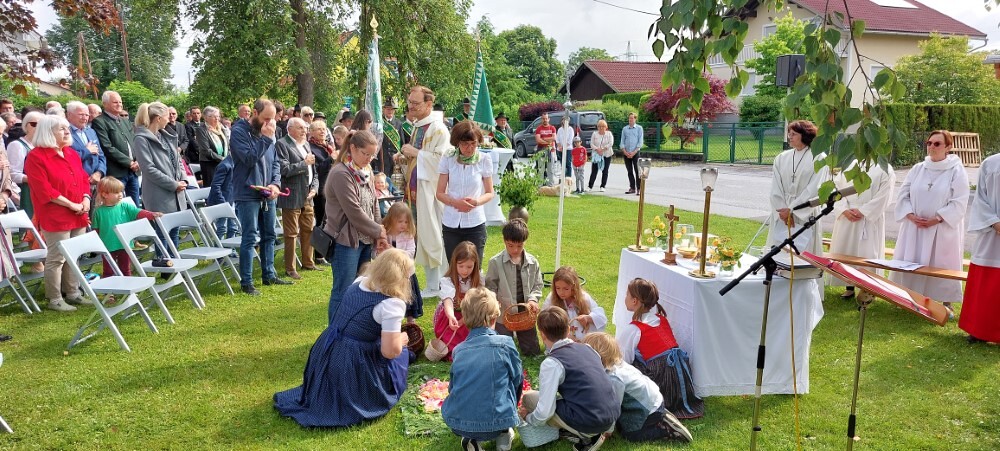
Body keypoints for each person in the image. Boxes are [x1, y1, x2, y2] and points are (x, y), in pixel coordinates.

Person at [273, 249, 413, 427]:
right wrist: (401, 339)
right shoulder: (392, 304)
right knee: (401, 353)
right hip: (353, 362)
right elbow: (389, 351)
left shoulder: (360, 281)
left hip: (327, 349)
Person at [519, 307, 622, 451]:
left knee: (529, 399)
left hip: (591, 419)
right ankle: (588, 431)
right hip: (612, 414)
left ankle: (587, 435)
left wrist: (529, 418)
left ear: (542, 334)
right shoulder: (588, 348)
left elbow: (544, 412)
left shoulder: (552, 363)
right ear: (568, 329)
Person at [891, 130, 969, 316]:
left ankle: (946, 301)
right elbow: (903, 193)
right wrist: (910, 215)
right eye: (929, 143)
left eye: (937, 144)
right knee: (913, 259)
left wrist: (938, 218)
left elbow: (960, 200)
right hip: (915, 227)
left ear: (948, 147)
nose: (931, 146)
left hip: (941, 227)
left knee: (942, 261)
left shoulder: (956, 170)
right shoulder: (918, 168)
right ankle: (909, 295)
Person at [441, 286, 523, 451]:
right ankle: (503, 436)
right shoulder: (505, 344)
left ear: (465, 317)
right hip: (498, 420)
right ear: (494, 317)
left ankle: (471, 439)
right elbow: (517, 380)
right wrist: (513, 403)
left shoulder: (458, 350)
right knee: (508, 385)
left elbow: (453, 386)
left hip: (459, 423)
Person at [25, 115, 92, 312]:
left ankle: (73, 293)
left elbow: (83, 179)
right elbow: (44, 189)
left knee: (74, 254)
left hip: (78, 210)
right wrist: (71, 204)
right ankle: (54, 299)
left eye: (66, 128)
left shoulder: (71, 153)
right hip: (56, 213)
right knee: (57, 258)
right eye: (61, 128)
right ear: (48, 132)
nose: (67, 131)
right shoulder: (36, 157)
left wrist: (86, 199)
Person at [324, 130, 389, 321]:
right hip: (345, 241)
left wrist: (379, 232)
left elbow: (374, 204)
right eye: (365, 154)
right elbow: (354, 212)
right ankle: (335, 332)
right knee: (343, 290)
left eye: (372, 155)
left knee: (361, 287)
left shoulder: (366, 171)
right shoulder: (340, 173)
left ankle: (353, 327)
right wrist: (379, 231)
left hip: (365, 240)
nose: (369, 159)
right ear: (352, 148)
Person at [582, 332, 693, 443]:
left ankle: (666, 430)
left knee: (631, 435)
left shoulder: (613, 379)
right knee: (622, 425)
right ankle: (660, 417)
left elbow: (613, 408)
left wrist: (607, 431)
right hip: (653, 399)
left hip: (648, 408)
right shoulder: (617, 363)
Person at [617, 278, 704, 419]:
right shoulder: (661, 319)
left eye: (627, 294)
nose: (625, 297)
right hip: (680, 374)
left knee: (629, 363)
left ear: (634, 301)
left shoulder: (634, 329)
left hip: (662, 379)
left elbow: (622, 360)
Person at [231, 98, 289, 296]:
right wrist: (265, 138)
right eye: (266, 118)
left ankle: (269, 274)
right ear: (254, 113)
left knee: (269, 235)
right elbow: (248, 159)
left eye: (272, 119)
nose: (270, 123)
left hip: (268, 193)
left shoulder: (269, 132)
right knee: (250, 237)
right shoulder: (239, 131)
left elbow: (275, 163)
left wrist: (275, 184)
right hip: (247, 193)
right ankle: (247, 282)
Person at [398, 85, 450, 297]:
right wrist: (405, 157)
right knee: (421, 236)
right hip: (416, 190)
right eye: (409, 102)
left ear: (429, 104)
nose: (411, 106)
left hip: (430, 192)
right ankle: (431, 283)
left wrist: (415, 153)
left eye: (415, 103)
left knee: (432, 236)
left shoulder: (438, 129)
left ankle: (438, 284)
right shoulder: (418, 126)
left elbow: (441, 161)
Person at [829, 160, 895, 298]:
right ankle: (849, 286)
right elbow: (836, 188)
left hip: (868, 218)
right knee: (847, 250)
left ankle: (867, 288)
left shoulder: (885, 169)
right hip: (847, 214)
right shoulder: (850, 165)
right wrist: (843, 209)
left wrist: (864, 211)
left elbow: (885, 195)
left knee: (867, 253)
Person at [765, 120, 829, 258]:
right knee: (779, 252)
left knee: (802, 254)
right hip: (782, 214)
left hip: (805, 211)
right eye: (789, 133)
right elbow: (775, 188)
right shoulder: (781, 158)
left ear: (805, 135)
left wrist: (792, 210)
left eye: (793, 134)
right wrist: (783, 211)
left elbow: (814, 188)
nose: (789, 136)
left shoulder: (819, 158)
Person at [436, 120, 494, 265]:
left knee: (474, 267)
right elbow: (439, 193)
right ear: (457, 143)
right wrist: (455, 203)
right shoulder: (448, 158)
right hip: (451, 222)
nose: (470, 148)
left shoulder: (484, 159)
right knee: (454, 267)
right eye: (465, 144)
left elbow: (489, 192)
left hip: (475, 222)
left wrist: (476, 202)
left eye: (473, 143)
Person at [134, 102, 188, 252]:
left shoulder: (166, 136)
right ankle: (164, 264)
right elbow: (149, 169)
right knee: (163, 234)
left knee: (175, 232)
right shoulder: (141, 139)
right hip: (159, 195)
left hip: (176, 193)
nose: (169, 119)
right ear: (158, 118)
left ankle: (175, 264)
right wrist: (174, 184)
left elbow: (178, 160)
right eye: (167, 116)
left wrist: (183, 179)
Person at [484, 218, 543, 356]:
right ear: (504, 241)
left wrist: (533, 299)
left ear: (524, 242)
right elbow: (490, 286)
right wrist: (494, 301)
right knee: (502, 350)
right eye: (510, 246)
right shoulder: (495, 262)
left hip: (525, 313)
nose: (515, 250)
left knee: (532, 351)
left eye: (519, 246)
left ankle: (522, 338)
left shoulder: (533, 262)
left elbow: (538, 284)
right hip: (504, 313)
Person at [960, 152, 1000, 344]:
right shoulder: (991, 163)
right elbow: (980, 199)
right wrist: (994, 222)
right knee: (986, 285)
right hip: (991, 234)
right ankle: (979, 330)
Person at [91, 177, 163, 277]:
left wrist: (152, 215)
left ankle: (128, 285)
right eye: (116, 192)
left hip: (124, 244)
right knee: (108, 271)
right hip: (108, 246)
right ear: (105, 194)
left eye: (121, 191)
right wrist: (98, 245)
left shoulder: (125, 206)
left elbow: (138, 212)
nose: (120, 194)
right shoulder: (98, 212)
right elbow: (96, 230)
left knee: (125, 269)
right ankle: (109, 287)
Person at [275, 117, 319, 279]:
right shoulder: (282, 144)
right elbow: (284, 170)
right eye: (300, 128)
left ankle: (308, 262)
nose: (304, 131)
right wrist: (304, 163)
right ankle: (290, 268)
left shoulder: (306, 144)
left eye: (305, 128)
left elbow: (314, 171)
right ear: (290, 129)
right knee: (291, 233)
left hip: (308, 195)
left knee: (308, 229)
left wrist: (315, 188)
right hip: (292, 194)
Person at [433, 241, 482, 361]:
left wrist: (464, 320)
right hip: (452, 316)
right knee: (451, 341)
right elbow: (448, 300)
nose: (465, 270)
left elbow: (478, 304)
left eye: (469, 267)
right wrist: (451, 316)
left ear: (475, 265)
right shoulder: (448, 281)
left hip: (471, 316)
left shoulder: (479, 280)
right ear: (454, 263)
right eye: (461, 266)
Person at [91, 91, 139, 206]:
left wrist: (138, 160)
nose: (119, 105)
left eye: (120, 102)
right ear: (105, 104)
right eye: (115, 102)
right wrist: (129, 162)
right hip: (116, 173)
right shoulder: (99, 122)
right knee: (116, 206)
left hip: (133, 172)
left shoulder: (125, 121)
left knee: (135, 206)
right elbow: (107, 147)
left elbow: (134, 142)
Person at [380, 202, 422, 323]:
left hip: (406, 274)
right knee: (391, 299)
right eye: (400, 221)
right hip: (390, 274)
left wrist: (394, 251)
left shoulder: (408, 235)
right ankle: (392, 322)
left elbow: (411, 253)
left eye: (406, 222)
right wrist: (383, 251)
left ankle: (411, 323)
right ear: (391, 220)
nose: (403, 225)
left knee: (409, 300)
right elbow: (377, 254)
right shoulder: (385, 235)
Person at [543, 266, 606, 341]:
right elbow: (544, 319)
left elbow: (601, 317)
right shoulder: (552, 299)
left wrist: (588, 318)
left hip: (583, 340)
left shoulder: (584, 298)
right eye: (558, 288)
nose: (561, 292)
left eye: (566, 289)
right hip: (560, 340)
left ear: (573, 287)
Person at [308, 120, 338, 266]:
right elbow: (317, 170)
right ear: (311, 132)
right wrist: (330, 159)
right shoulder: (311, 147)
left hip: (332, 187)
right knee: (321, 221)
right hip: (320, 189)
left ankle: (328, 251)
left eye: (324, 129)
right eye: (318, 129)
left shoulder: (328, 147)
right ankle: (319, 255)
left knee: (330, 220)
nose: (322, 131)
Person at [7, 111, 42, 215]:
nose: (38, 127)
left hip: (42, 191)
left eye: (42, 124)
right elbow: (13, 174)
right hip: (27, 192)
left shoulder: (43, 145)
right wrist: (36, 179)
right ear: (25, 126)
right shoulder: (17, 145)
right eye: (34, 124)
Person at [66, 101, 106, 191]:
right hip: (77, 182)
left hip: (96, 181)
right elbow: (66, 159)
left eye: (87, 115)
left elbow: (101, 155)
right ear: (69, 115)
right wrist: (87, 151)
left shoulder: (91, 131)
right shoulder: (65, 133)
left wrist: (99, 173)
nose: (85, 118)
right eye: (81, 115)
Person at [196, 106, 229, 188]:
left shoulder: (221, 129)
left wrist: (227, 158)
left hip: (224, 163)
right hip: (209, 164)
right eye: (214, 116)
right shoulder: (201, 130)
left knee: (225, 188)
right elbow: (205, 150)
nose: (217, 119)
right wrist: (222, 159)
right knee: (212, 189)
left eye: (218, 116)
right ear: (206, 118)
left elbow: (227, 145)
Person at [207, 155, 237, 240]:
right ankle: (218, 245)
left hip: (232, 200)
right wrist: (223, 203)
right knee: (222, 228)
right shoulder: (224, 165)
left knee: (233, 227)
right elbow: (215, 186)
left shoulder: (237, 164)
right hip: (222, 202)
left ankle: (231, 246)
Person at [374, 98, 401, 177]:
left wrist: (398, 154)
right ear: (384, 109)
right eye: (388, 109)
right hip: (381, 158)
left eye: (392, 109)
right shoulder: (379, 123)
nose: (390, 111)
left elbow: (401, 143)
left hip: (394, 158)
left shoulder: (398, 123)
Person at [588, 119, 613, 192]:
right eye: (599, 126)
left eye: (603, 126)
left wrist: (603, 149)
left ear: (606, 127)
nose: (601, 128)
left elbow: (611, 143)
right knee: (594, 170)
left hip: (606, 154)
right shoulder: (594, 134)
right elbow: (591, 144)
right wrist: (597, 149)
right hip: (597, 155)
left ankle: (603, 186)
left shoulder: (609, 134)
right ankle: (590, 186)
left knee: (605, 170)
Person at [621, 112, 643, 195]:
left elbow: (640, 142)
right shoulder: (625, 129)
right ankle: (632, 187)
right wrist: (625, 152)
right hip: (626, 153)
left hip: (635, 152)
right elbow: (622, 141)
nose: (630, 119)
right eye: (629, 118)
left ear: (635, 119)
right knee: (629, 171)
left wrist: (634, 152)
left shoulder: (639, 128)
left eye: (632, 118)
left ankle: (639, 188)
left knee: (637, 171)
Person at [534, 112, 557, 186]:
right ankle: (540, 186)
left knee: (551, 169)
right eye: (543, 119)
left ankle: (551, 186)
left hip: (551, 150)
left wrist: (543, 138)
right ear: (541, 119)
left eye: (546, 118)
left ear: (548, 119)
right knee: (541, 169)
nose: (545, 120)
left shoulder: (552, 128)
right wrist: (548, 141)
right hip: (541, 150)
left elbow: (554, 138)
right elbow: (538, 140)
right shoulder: (539, 129)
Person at [556, 115, 576, 179]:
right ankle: (563, 177)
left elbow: (570, 140)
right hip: (560, 149)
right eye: (563, 120)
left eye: (566, 120)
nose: (564, 121)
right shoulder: (560, 129)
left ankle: (568, 177)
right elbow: (557, 139)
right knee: (562, 164)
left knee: (568, 163)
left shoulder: (570, 129)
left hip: (568, 149)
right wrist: (560, 146)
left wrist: (564, 147)